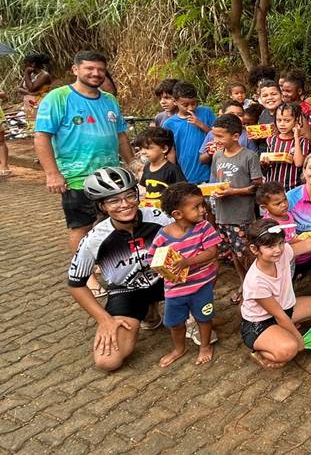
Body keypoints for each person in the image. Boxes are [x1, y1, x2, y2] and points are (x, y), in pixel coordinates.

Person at [67, 167, 172, 371]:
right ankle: (148, 312)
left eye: (129, 196)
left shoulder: (159, 217)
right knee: (108, 361)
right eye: (114, 201)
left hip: (166, 279)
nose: (125, 205)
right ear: (102, 206)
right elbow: (76, 285)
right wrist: (104, 319)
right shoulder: (94, 239)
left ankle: (177, 312)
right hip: (127, 290)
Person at [34, 50, 134, 252]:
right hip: (77, 177)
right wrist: (52, 173)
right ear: (75, 69)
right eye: (89, 68)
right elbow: (41, 137)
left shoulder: (109, 100)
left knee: (113, 223)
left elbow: (121, 136)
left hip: (111, 176)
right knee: (81, 227)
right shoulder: (57, 98)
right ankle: (84, 275)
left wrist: (132, 165)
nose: (96, 73)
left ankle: (112, 265)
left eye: (101, 70)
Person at [150, 182, 222, 367]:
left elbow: (212, 252)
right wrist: (159, 266)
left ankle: (205, 346)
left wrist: (186, 262)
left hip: (201, 285)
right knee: (175, 323)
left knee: (204, 318)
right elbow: (153, 257)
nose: (202, 210)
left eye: (202, 204)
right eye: (196, 207)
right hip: (174, 289)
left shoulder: (204, 227)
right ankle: (178, 349)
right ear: (177, 214)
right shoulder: (163, 236)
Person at [240, 218, 311, 369]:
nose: (278, 249)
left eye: (280, 243)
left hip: (284, 311)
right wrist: (300, 342)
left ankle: (280, 332)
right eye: (270, 246)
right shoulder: (255, 281)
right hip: (259, 324)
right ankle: (260, 351)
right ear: (255, 249)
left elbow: (309, 244)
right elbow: (279, 315)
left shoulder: (283, 253)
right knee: (290, 349)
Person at [209, 113, 264, 303]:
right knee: (233, 253)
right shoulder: (216, 156)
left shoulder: (249, 156)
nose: (216, 140)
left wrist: (232, 192)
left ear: (235, 135)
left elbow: (257, 186)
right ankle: (244, 283)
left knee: (244, 254)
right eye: (214, 136)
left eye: (220, 136)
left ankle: (254, 286)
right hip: (222, 215)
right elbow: (215, 182)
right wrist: (213, 194)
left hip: (241, 216)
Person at [163, 81, 216, 184]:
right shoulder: (169, 124)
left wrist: (201, 125)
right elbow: (170, 151)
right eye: (185, 105)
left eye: (193, 103)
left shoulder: (206, 112)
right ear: (175, 101)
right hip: (186, 172)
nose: (191, 108)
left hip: (210, 172)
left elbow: (219, 135)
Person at [261, 103, 308, 191]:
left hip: (292, 188)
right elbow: (267, 166)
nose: (282, 124)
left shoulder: (302, 141)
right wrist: (265, 164)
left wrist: (296, 137)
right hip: (272, 187)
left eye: (287, 120)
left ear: (296, 121)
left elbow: (298, 163)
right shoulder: (271, 140)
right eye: (279, 120)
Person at [135, 127, 185, 206]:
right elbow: (144, 187)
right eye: (141, 148)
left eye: (148, 148)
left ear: (164, 149)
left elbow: (183, 191)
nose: (143, 152)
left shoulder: (172, 170)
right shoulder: (147, 168)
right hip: (151, 210)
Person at [20, 53, 52, 129]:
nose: (24, 66)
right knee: (32, 128)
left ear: (33, 64)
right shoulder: (30, 75)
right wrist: (31, 93)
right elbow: (19, 89)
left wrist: (26, 74)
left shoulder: (44, 75)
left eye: (26, 64)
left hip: (40, 104)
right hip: (29, 106)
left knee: (41, 128)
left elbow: (31, 88)